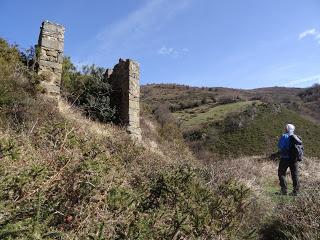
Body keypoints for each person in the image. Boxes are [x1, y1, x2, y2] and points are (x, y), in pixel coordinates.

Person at [277, 124, 300, 196]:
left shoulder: (284, 136)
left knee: (281, 173)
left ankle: (284, 190)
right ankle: (295, 191)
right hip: (294, 158)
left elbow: (280, 146)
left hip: (285, 158)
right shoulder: (296, 137)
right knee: (295, 174)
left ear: (287, 129)